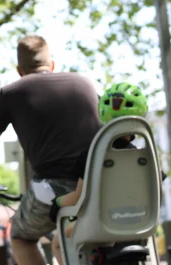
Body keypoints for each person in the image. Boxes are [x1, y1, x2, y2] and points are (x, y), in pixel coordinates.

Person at [0, 35, 101, 265]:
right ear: (52, 64)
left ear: (19, 70)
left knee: (21, 236)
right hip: (100, 183)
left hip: (53, 190)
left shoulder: (11, 94)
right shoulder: (85, 84)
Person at [49, 82, 167, 265]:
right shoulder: (146, 160)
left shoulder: (92, 156)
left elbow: (77, 198)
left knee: (57, 243)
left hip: (99, 227)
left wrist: (56, 204)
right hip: (140, 226)